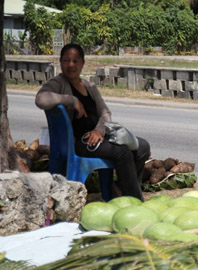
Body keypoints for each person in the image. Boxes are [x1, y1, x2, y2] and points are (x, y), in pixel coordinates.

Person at [35, 43, 151, 201]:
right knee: (122, 152)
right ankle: (134, 201)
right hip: (79, 143)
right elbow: (41, 99)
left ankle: (121, 188)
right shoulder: (58, 83)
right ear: (60, 62)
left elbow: (105, 112)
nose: (70, 65)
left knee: (142, 147)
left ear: (83, 63)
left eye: (75, 61)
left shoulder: (90, 86)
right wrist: (71, 99)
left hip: (99, 138)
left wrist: (99, 130)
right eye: (66, 60)